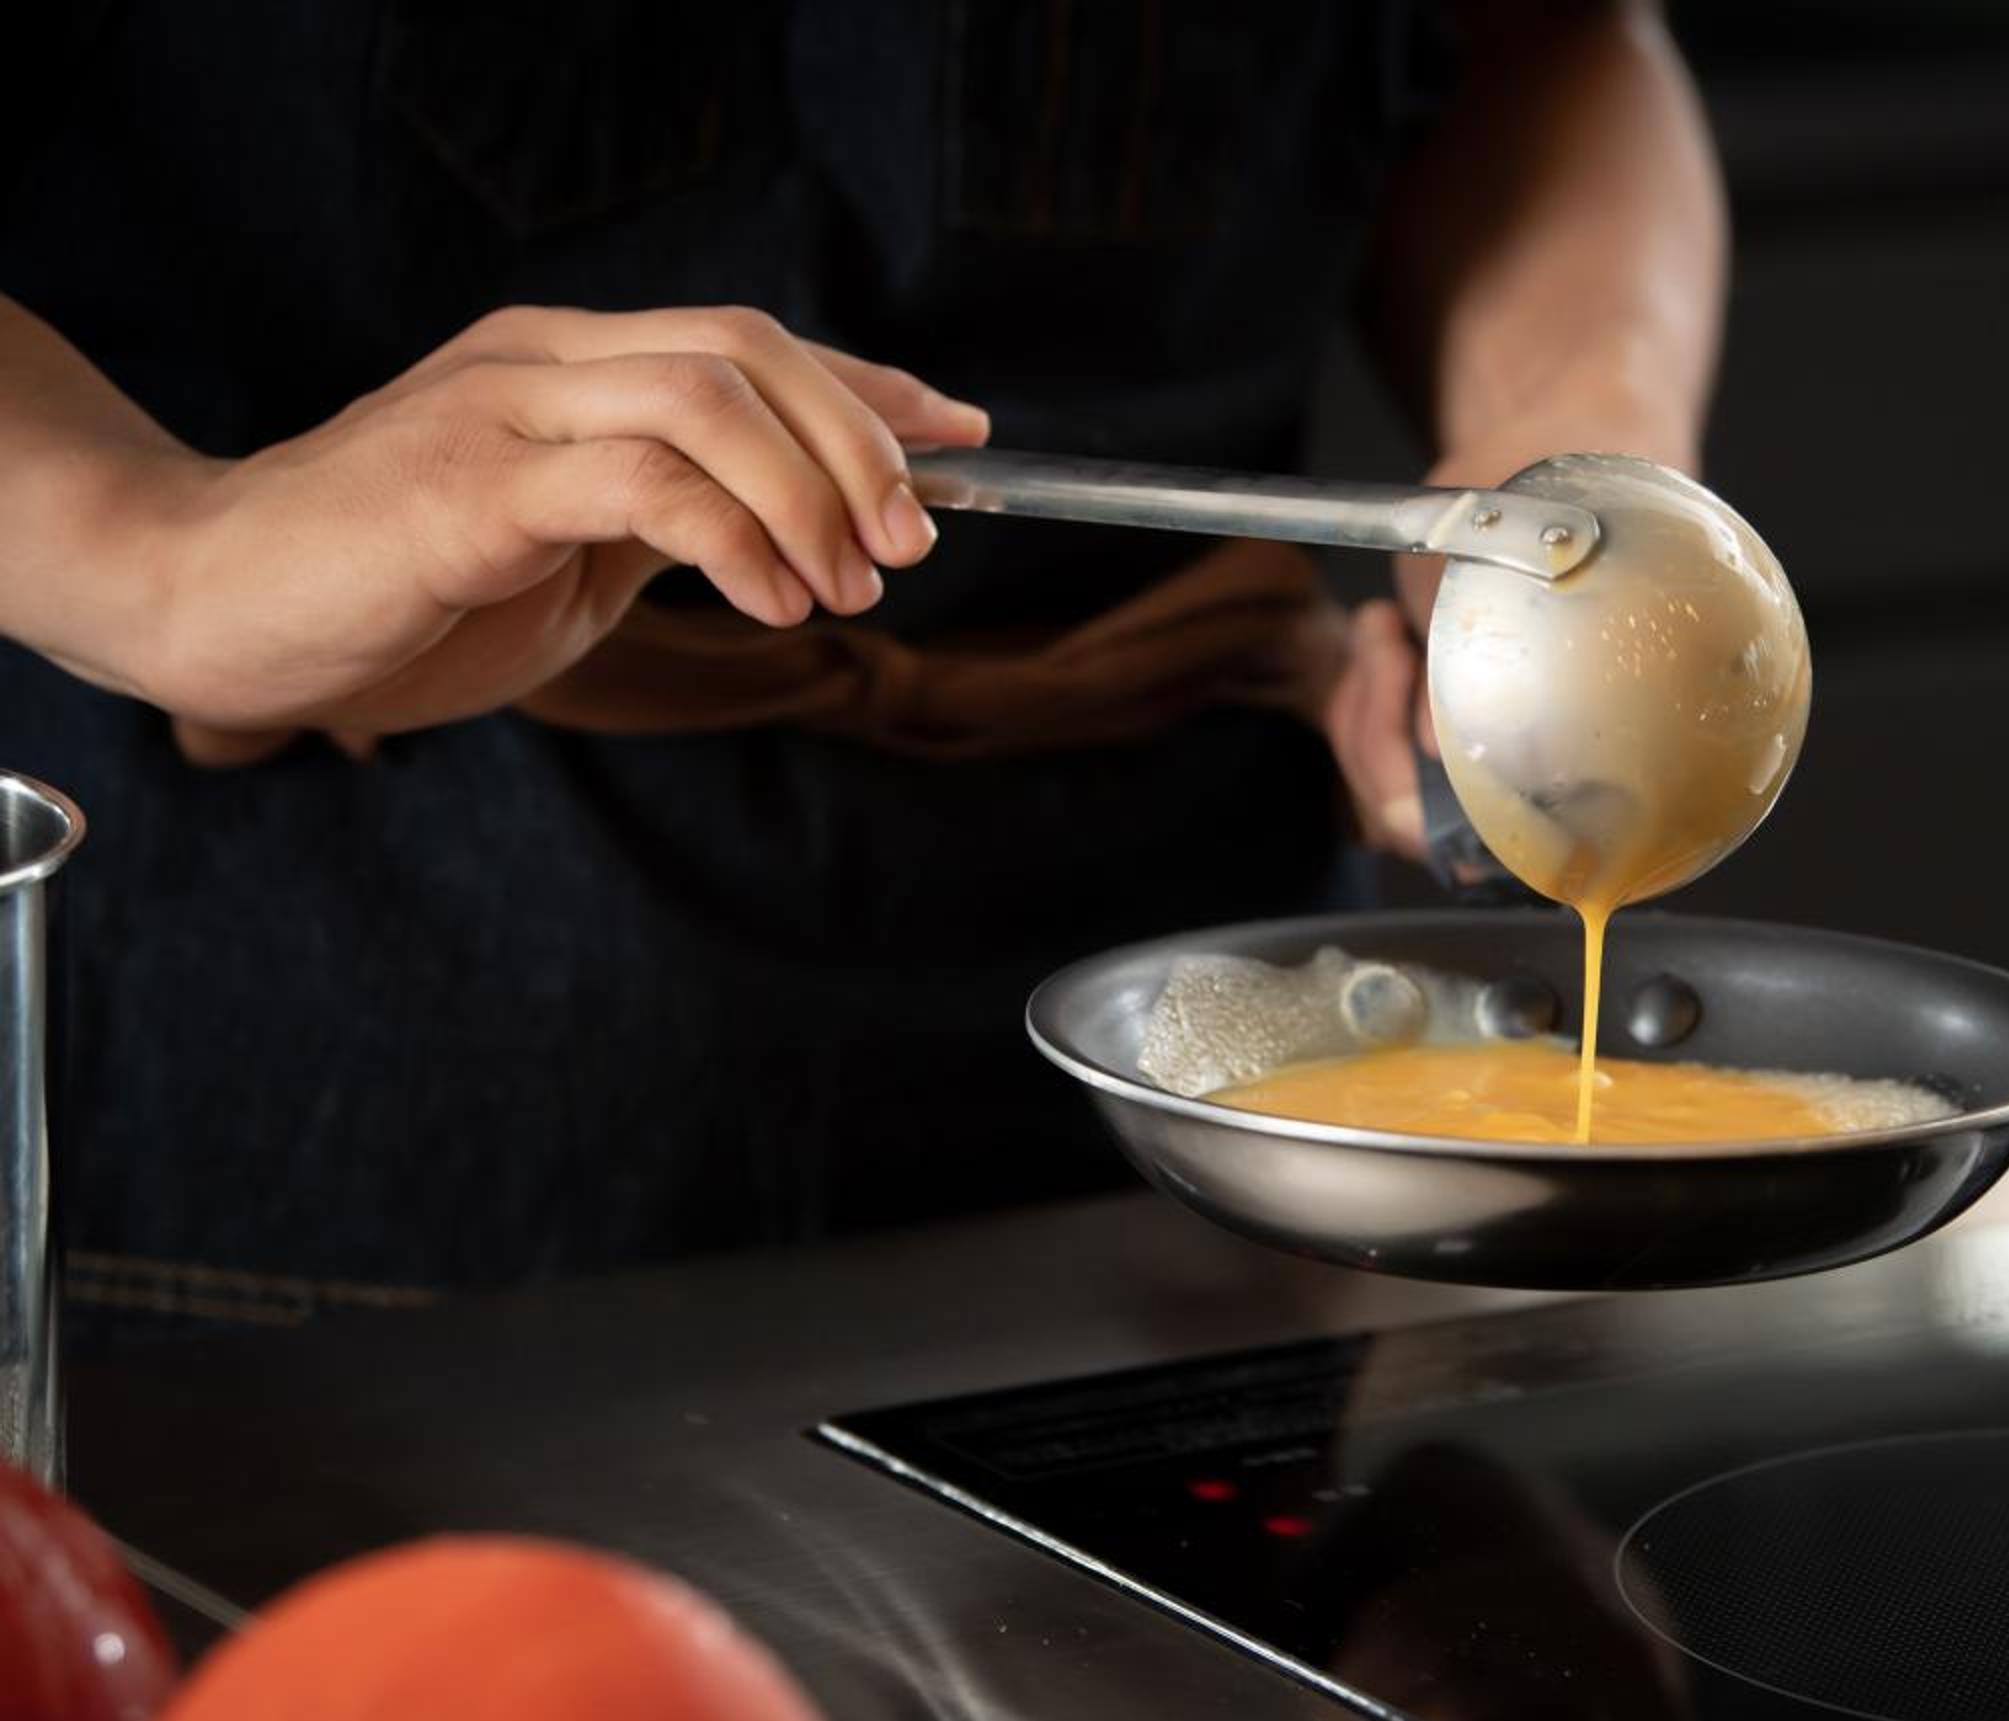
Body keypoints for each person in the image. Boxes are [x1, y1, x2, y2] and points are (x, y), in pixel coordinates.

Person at [0, 0, 1724, 1321]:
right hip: (326, 1055)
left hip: (1213, 1046)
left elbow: (1544, 40)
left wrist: (1567, 452)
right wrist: (160, 553)